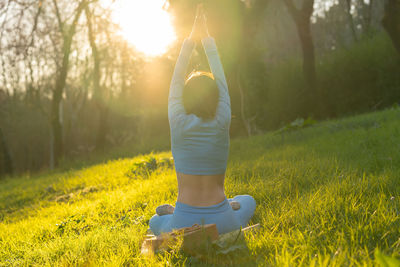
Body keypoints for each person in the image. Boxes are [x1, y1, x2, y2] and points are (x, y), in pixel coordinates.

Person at [149, 5, 256, 236]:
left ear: (185, 98)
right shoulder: (222, 120)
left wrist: (191, 39)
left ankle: (170, 213)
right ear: (217, 97)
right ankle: (230, 203)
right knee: (248, 201)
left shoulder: (177, 120)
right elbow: (221, 80)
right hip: (223, 221)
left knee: (153, 222)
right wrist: (207, 37)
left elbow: (177, 80)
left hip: (183, 223)